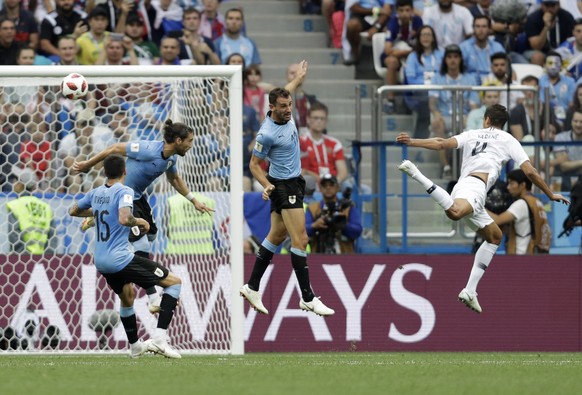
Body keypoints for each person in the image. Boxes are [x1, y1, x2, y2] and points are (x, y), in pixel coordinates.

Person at [396, 104, 569, 313]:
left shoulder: (472, 134)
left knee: (495, 236)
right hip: (476, 187)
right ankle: (416, 174)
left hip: (468, 186)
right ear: (502, 123)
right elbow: (530, 172)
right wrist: (550, 193)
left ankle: (470, 290)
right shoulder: (508, 140)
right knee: (455, 213)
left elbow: (442, 143)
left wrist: (412, 141)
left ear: (486, 120)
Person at [72, 119, 214, 313]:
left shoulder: (171, 158)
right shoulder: (148, 149)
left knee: (151, 236)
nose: (191, 145)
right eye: (189, 141)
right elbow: (114, 148)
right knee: (142, 244)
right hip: (122, 196)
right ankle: (153, 297)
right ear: (178, 140)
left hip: (138, 198)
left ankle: (99, 217)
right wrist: (88, 164)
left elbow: (174, 178)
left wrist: (193, 200)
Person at [240, 60, 335, 317]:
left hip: (294, 181)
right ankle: (307, 297)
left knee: (276, 236)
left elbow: (289, 88)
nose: (288, 109)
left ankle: (251, 286)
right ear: (271, 108)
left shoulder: (285, 107)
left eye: (289, 105)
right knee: (301, 239)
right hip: (283, 185)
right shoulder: (266, 133)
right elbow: (254, 164)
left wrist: (300, 77)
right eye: (283, 107)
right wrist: (268, 185)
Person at [69, 154, 182, 359]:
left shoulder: (96, 192)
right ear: (125, 171)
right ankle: (160, 339)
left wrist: (97, 212)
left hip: (101, 261)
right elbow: (124, 218)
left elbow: (73, 211)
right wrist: (141, 222)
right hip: (119, 259)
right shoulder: (126, 191)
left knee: (127, 296)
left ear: (104, 172)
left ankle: (136, 346)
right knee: (174, 283)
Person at [487, 169, 552, 254]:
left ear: (522, 185)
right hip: (536, 253)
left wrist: (478, 206)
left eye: (512, 183)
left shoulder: (521, 204)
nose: (508, 187)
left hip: (522, 254)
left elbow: (497, 220)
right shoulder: (537, 202)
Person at [305, 173, 362, 253]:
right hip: (318, 254)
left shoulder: (347, 208)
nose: (328, 188)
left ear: (337, 187)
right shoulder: (313, 208)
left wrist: (342, 225)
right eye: (325, 185)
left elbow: (358, 230)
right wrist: (314, 226)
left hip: (344, 256)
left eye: (331, 185)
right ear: (320, 188)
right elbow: (303, 231)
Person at [7, 165, 57, 255]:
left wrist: (25, 257)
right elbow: (52, 238)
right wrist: (46, 258)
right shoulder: (46, 207)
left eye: (15, 180)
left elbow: (14, 236)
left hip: (21, 260)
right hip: (43, 260)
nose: (13, 183)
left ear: (20, 184)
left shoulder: (15, 205)